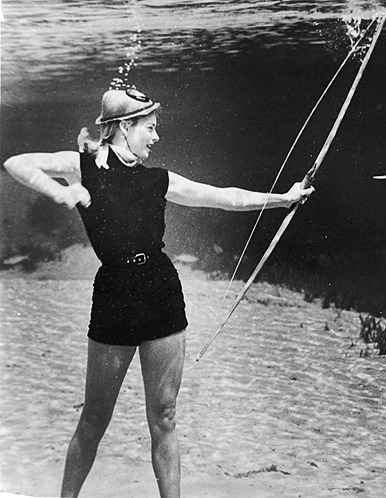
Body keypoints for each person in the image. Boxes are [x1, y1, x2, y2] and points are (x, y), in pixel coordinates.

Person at [3, 88, 314, 498]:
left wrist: (283, 199)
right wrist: (63, 192)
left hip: (161, 294)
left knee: (164, 417)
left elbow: (223, 198)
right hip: (114, 296)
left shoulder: (158, 179)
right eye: (149, 127)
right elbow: (16, 163)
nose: (156, 136)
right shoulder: (82, 167)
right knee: (94, 418)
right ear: (125, 127)